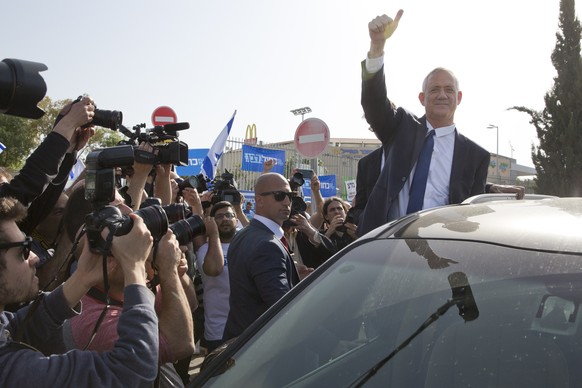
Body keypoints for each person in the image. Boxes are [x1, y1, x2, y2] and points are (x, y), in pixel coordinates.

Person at [358, 10, 524, 236]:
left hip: (439, 253)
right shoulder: (400, 128)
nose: (442, 95)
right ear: (422, 98)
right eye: (434, 89)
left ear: (459, 98)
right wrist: (377, 47)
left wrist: (490, 192)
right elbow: (374, 103)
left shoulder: (475, 157)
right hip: (384, 245)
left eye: (449, 90)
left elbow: (470, 212)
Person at [0, 196, 160, 386]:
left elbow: (21, 328)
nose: (35, 257)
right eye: (23, 250)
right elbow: (133, 370)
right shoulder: (10, 371)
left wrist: (83, 276)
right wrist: (135, 268)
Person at [222, 173, 300, 341]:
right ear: (259, 200)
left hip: (243, 341)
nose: (287, 202)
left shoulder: (244, 235)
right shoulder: (267, 244)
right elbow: (282, 306)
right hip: (260, 346)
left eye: (290, 196)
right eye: (279, 196)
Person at [195, 201, 236, 352]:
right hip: (218, 330)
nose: (225, 219)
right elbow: (214, 269)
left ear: (236, 220)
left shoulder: (245, 245)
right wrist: (213, 234)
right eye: (219, 216)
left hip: (246, 326)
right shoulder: (205, 249)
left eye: (229, 215)